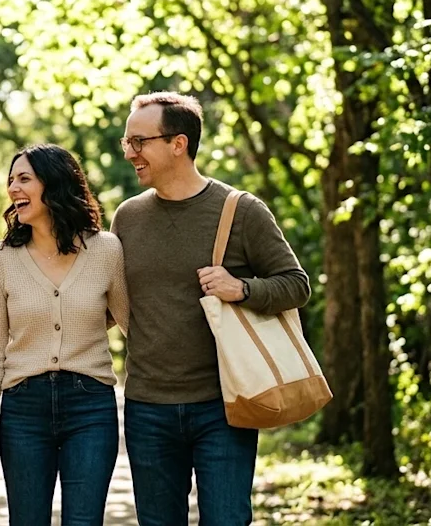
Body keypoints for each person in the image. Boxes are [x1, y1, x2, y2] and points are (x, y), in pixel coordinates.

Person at [111, 91, 312, 525]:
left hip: (223, 406)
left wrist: (241, 288)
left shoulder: (241, 211)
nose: (130, 153)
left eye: (139, 142)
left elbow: (297, 285)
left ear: (177, 144)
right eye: (127, 142)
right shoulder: (127, 218)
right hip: (147, 407)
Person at [0, 143, 130, 526]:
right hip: (23, 408)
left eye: (24, 179)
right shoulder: (0, 258)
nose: (13, 189)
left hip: (90, 406)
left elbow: (133, 328)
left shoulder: (106, 249)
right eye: (10, 180)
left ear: (54, 183)